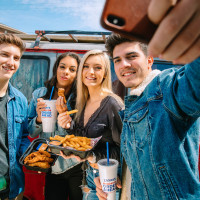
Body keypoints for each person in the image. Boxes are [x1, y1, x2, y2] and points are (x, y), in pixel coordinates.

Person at [95, 21, 200, 200]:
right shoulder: (134, 103)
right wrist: (118, 178)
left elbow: (194, 82)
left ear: (150, 60)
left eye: (131, 56)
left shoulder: (166, 90)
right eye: (117, 60)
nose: (124, 65)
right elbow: (141, 165)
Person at [58, 49, 124, 200]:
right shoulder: (82, 102)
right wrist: (68, 127)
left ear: (106, 73)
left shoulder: (112, 104)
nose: (90, 72)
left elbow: (124, 149)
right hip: (90, 176)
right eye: (86, 66)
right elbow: (83, 142)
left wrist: (92, 155)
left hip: (111, 178)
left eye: (98, 67)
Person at [28, 52, 83, 200]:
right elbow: (31, 133)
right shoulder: (39, 94)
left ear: (77, 74)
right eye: (62, 67)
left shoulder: (81, 98)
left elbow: (84, 135)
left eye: (72, 69)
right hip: (52, 165)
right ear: (56, 69)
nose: (66, 72)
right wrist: (39, 119)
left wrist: (67, 118)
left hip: (77, 164)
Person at [0, 33, 30, 200]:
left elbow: (23, 136)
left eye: (16, 58)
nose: (11, 62)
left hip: (12, 187)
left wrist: (33, 153)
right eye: (4, 55)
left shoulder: (20, 100)